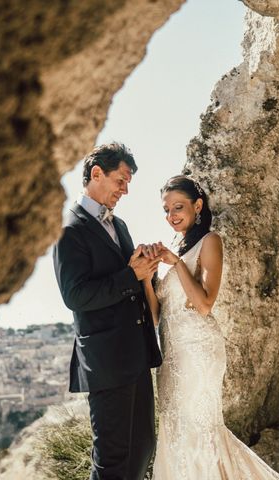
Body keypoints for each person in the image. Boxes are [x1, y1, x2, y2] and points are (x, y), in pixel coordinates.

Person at [141, 175, 279, 479]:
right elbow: (156, 316)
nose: (172, 216)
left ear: (198, 205)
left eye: (178, 207)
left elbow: (205, 303)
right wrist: (146, 274)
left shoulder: (210, 241)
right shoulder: (173, 248)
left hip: (198, 353)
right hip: (171, 356)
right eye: (166, 210)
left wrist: (176, 264)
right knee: (174, 427)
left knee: (199, 429)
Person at [53, 143, 162, 480]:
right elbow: (76, 295)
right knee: (112, 460)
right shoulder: (69, 230)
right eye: (121, 181)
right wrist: (132, 275)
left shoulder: (122, 226)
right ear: (96, 174)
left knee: (143, 447)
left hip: (137, 356)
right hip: (106, 362)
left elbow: (130, 279)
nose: (125, 190)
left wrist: (148, 267)